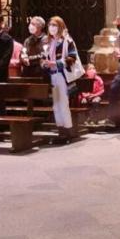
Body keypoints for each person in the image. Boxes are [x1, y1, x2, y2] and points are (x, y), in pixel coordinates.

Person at [42, 16, 79, 144]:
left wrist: (55, 63)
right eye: (50, 25)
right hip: (53, 76)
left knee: (63, 104)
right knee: (56, 104)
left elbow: (72, 58)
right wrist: (45, 63)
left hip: (62, 76)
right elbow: (43, 57)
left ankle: (68, 131)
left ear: (60, 26)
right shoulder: (48, 42)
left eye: (54, 25)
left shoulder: (67, 41)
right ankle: (61, 131)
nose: (51, 27)